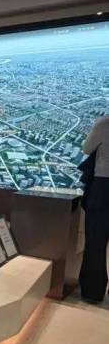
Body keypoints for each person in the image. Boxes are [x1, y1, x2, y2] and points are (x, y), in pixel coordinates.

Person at [79, 114, 109, 303]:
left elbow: (87, 148)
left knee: (96, 241)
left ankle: (93, 290)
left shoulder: (105, 122)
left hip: (104, 187)